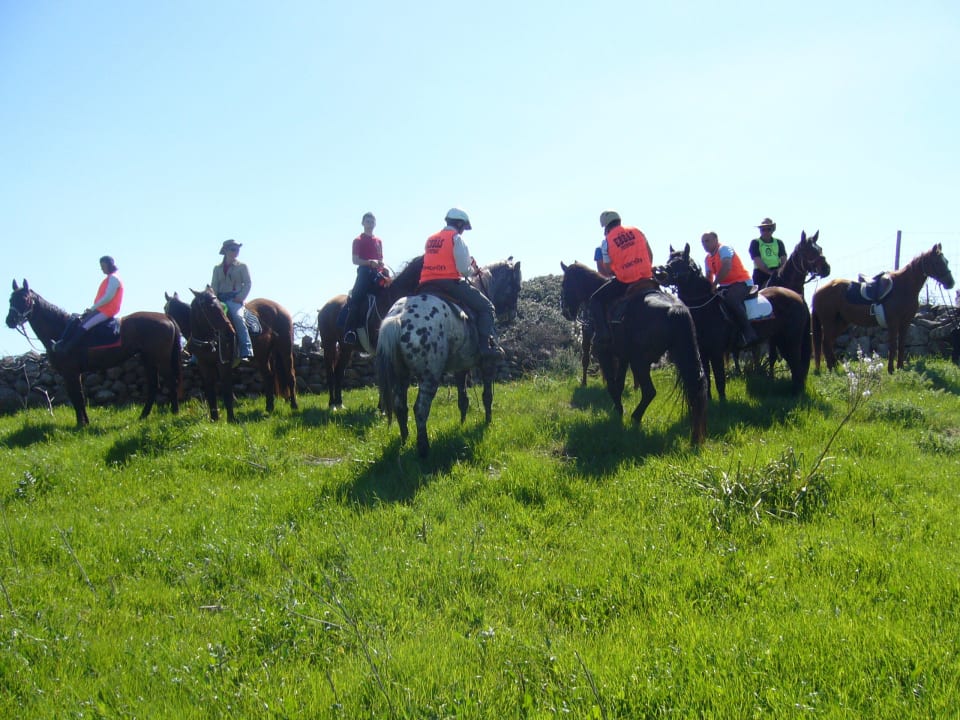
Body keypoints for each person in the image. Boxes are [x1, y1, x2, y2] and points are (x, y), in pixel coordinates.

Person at [418, 207, 502, 360]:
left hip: (426, 283)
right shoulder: (456, 238)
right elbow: (463, 270)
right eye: (463, 227)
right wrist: (474, 272)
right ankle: (485, 346)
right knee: (487, 307)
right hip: (449, 283)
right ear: (459, 224)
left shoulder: (431, 239)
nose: (463, 231)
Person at [589, 210, 654, 347]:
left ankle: (604, 335)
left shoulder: (606, 242)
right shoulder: (637, 231)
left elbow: (607, 270)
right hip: (647, 277)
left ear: (605, 226)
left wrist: (621, 270)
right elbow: (650, 254)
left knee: (595, 300)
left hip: (625, 281)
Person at [53, 255, 124, 355]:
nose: (102, 269)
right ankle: (63, 342)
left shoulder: (114, 278)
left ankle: (67, 349)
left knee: (84, 326)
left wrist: (92, 308)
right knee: (76, 319)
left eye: (103, 266)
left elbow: (108, 297)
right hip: (102, 309)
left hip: (106, 310)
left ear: (109, 265)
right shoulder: (110, 278)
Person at [702, 231, 760, 346]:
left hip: (741, 282)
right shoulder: (707, 259)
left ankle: (748, 332)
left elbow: (726, 267)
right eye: (703, 242)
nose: (704, 244)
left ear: (715, 239)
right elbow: (708, 277)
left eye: (707, 241)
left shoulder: (724, 249)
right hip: (725, 286)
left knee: (731, 300)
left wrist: (714, 284)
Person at [343, 212, 387, 346]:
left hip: (377, 273)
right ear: (363, 223)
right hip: (364, 273)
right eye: (367, 221)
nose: (370, 224)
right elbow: (355, 260)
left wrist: (380, 264)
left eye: (372, 222)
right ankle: (350, 331)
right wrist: (369, 262)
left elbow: (380, 258)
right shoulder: (358, 240)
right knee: (356, 298)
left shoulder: (378, 241)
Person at [211, 239, 253, 360]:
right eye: (233, 249)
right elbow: (214, 286)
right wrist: (213, 299)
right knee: (205, 316)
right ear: (225, 251)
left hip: (235, 299)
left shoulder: (242, 266)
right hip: (219, 299)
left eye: (237, 249)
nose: (236, 251)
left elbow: (248, 283)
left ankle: (246, 350)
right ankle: (196, 354)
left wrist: (240, 298)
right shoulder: (217, 268)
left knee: (238, 318)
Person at [748, 217, 787, 287]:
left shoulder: (779, 242)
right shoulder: (755, 243)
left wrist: (780, 271)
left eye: (768, 229)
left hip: (778, 272)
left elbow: (783, 259)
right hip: (761, 274)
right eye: (763, 229)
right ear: (760, 231)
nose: (766, 232)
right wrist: (770, 273)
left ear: (772, 230)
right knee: (759, 295)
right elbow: (758, 261)